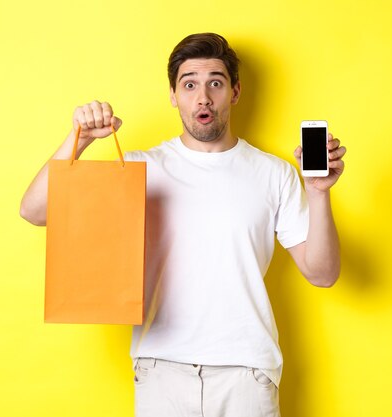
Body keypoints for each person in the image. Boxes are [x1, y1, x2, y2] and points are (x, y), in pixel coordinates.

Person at [20, 32, 346, 417]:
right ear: (174, 95)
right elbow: (36, 210)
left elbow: (322, 273)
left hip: (246, 373)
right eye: (189, 84)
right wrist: (79, 140)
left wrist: (319, 192)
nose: (203, 97)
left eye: (215, 83)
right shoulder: (141, 169)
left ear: (235, 92)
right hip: (161, 370)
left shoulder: (274, 173)